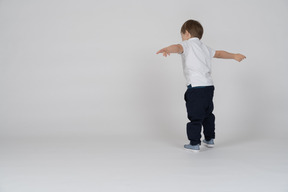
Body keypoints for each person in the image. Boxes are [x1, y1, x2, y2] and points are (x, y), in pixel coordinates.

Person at [156, 19, 246, 152]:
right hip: (209, 87)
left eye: (181, 35)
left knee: (195, 115)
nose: (181, 38)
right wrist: (234, 56)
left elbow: (177, 47)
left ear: (186, 33)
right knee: (208, 114)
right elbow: (219, 54)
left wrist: (167, 49)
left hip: (195, 87)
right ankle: (209, 139)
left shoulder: (186, 45)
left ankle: (194, 143)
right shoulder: (204, 47)